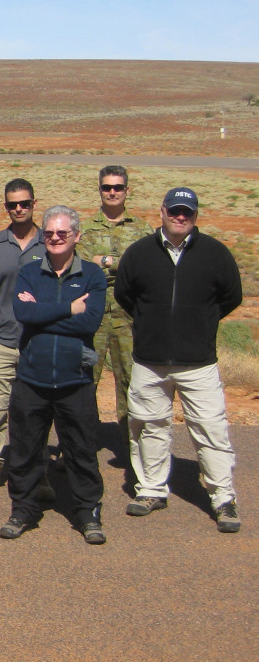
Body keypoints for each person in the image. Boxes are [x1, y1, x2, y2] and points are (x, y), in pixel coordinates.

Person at [115, 187, 243, 533]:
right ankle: (152, 489)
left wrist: (197, 325)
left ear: (195, 215)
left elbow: (231, 296)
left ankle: (222, 498)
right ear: (162, 212)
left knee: (211, 431)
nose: (180, 216)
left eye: (187, 211)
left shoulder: (216, 254)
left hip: (198, 362)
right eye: (175, 210)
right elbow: (125, 295)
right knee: (147, 427)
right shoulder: (139, 253)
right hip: (150, 361)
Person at [0, 206, 107, 544]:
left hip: (75, 379)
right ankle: (23, 510)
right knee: (25, 449)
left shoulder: (92, 275)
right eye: (49, 233)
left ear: (76, 235)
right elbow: (22, 312)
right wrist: (69, 307)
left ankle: (87, 511)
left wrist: (42, 313)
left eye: (62, 233)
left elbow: (89, 322)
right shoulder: (30, 272)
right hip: (32, 378)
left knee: (81, 450)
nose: (55, 238)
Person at [0, 178, 47, 500]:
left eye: (25, 203)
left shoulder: (49, 242)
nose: (19, 209)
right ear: (6, 207)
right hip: (0, 338)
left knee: (37, 409)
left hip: (37, 340)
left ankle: (37, 471)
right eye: (12, 204)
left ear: (34, 204)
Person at [75, 166, 151, 449]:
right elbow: (82, 266)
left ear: (127, 191)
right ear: (100, 190)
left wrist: (105, 261)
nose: (112, 192)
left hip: (128, 318)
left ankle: (135, 450)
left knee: (132, 386)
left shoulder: (141, 229)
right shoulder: (86, 228)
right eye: (107, 187)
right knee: (83, 384)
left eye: (118, 187)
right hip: (92, 318)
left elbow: (143, 269)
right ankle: (80, 449)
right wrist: (122, 263)